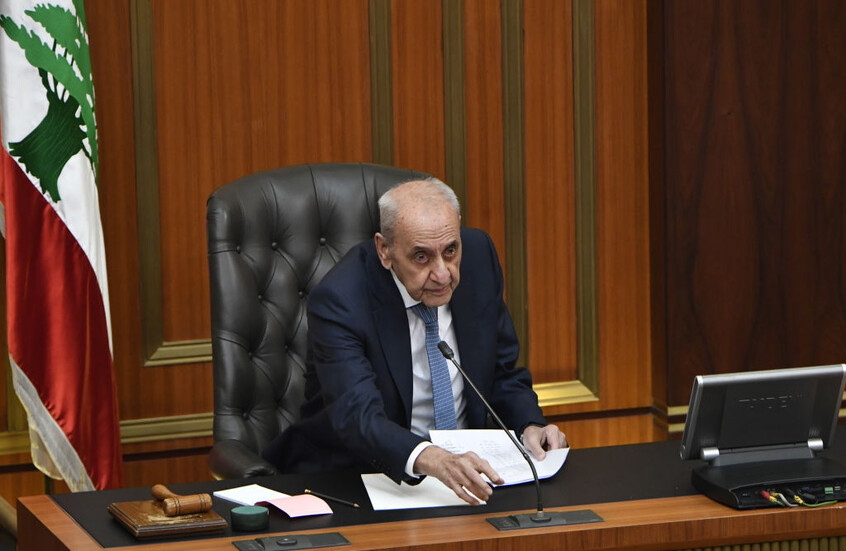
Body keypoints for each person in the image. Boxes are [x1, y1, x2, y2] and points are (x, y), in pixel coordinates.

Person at [263, 177, 567, 504]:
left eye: (450, 251)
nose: (443, 274)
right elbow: (357, 416)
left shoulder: (479, 257)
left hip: (469, 477)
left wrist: (529, 425)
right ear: (385, 250)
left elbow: (502, 372)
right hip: (362, 479)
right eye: (421, 257)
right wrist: (431, 458)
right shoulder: (341, 299)